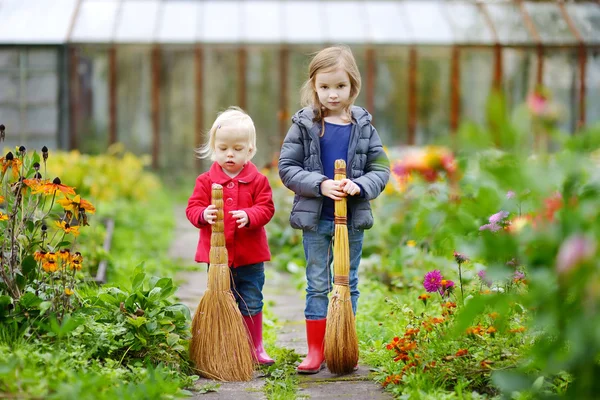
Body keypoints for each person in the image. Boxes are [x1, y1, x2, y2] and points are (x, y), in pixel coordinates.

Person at [278, 45, 390, 374]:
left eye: (340, 86)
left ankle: (342, 344)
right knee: (317, 283)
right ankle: (315, 351)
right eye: (324, 87)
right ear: (313, 86)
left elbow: (381, 168)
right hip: (317, 219)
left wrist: (361, 185)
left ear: (352, 86)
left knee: (347, 283)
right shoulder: (304, 125)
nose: (332, 94)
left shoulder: (364, 126)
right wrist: (320, 184)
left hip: (351, 220)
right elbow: (287, 167)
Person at [186, 106, 275, 365]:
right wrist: (204, 215)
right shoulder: (205, 181)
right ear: (214, 148)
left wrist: (250, 216)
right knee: (222, 300)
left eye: (237, 149)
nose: (229, 154)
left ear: (250, 150)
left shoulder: (257, 180)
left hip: (249, 258)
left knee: (251, 300)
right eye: (223, 148)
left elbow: (267, 208)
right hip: (218, 259)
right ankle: (225, 346)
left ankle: (254, 346)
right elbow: (192, 209)